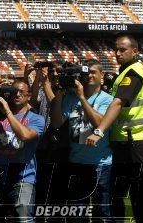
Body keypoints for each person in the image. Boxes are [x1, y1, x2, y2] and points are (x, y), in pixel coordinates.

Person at [86, 35, 143, 222]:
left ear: (135, 51)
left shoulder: (133, 73)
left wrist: (99, 131)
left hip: (135, 140)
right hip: (134, 139)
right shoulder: (130, 71)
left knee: (140, 194)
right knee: (138, 192)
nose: (117, 53)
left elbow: (118, 103)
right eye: (116, 49)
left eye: (123, 50)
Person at [49, 59, 113, 222]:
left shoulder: (107, 99)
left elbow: (100, 124)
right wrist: (59, 94)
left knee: (102, 213)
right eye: (86, 72)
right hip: (76, 161)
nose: (89, 75)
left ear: (102, 75)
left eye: (93, 72)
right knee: (77, 214)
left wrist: (82, 98)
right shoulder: (70, 98)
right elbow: (56, 122)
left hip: (100, 163)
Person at [0, 80, 45, 222]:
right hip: (1, 177)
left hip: (24, 177)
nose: (17, 94)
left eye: (21, 92)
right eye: (14, 92)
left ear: (29, 95)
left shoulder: (36, 118)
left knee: (23, 219)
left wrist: (7, 111)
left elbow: (25, 135)